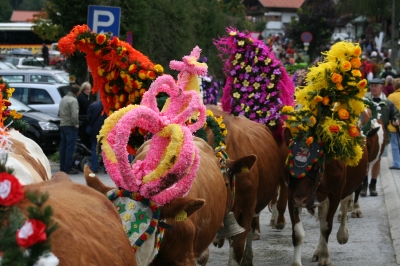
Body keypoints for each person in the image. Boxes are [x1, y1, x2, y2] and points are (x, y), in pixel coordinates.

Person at [362, 78, 400, 196]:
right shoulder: (364, 101)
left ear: (381, 87)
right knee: (364, 161)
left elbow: (395, 115)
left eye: (375, 86)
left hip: (381, 138)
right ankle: (364, 184)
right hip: (366, 137)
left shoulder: (388, 103)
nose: (373, 88)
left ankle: (373, 185)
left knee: (377, 160)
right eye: (371, 86)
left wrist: (396, 120)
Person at [59, 84, 80, 174]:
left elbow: (59, 112)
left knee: (63, 147)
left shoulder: (64, 98)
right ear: (77, 92)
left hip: (63, 124)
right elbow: (74, 115)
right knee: (70, 148)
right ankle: (68, 167)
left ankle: (62, 167)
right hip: (70, 126)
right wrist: (76, 125)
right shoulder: (73, 100)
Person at [86, 101, 107, 173]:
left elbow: (88, 118)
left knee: (95, 149)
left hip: (95, 130)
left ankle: (94, 168)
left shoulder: (93, 105)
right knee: (106, 150)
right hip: (106, 129)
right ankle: (106, 168)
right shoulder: (109, 105)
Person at [388, 79, 400, 169]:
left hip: (393, 125)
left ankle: (397, 162)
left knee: (395, 144)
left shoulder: (391, 97)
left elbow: (388, 110)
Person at [78, 82, 92, 148]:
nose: (89, 91)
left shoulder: (83, 97)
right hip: (83, 120)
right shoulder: (83, 98)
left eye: (89, 89)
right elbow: (86, 109)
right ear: (83, 89)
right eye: (87, 89)